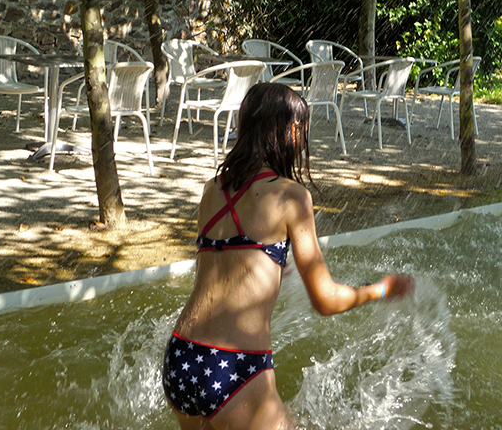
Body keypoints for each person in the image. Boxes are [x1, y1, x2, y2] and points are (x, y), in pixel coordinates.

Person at [163, 82, 414, 430]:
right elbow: (325, 300)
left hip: (183, 358)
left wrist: (274, 265)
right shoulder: (292, 197)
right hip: (234, 365)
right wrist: (381, 288)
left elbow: (225, 270)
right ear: (291, 131)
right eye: (303, 130)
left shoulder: (213, 189)